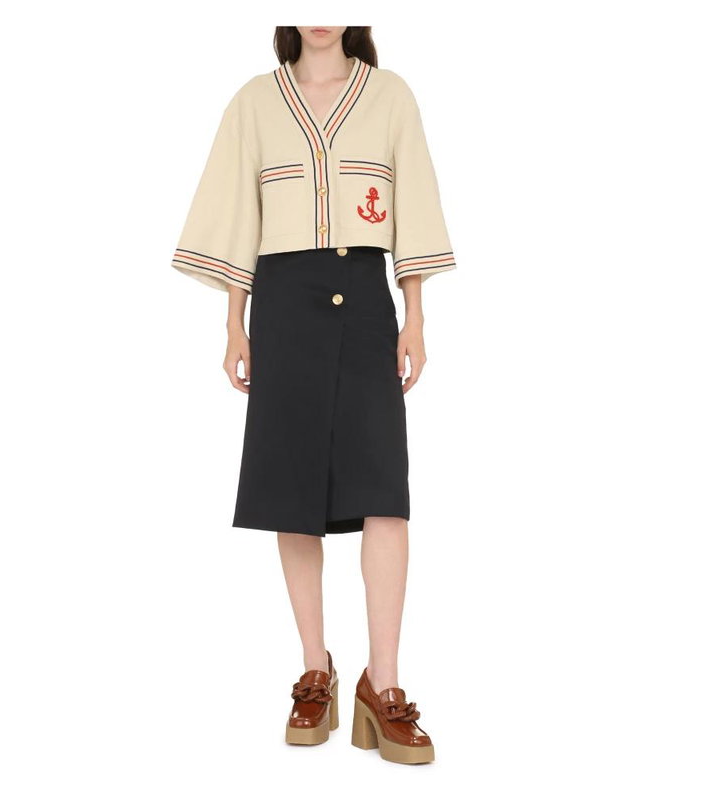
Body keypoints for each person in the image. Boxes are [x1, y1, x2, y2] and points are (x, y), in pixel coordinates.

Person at [170, 26, 457, 764]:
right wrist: (234, 324)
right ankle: (315, 669)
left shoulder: (389, 96)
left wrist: (415, 317)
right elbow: (239, 216)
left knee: (384, 490)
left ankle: (382, 684)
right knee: (291, 488)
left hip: (365, 300)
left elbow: (416, 208)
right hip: (284, 302)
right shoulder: (254, 102)